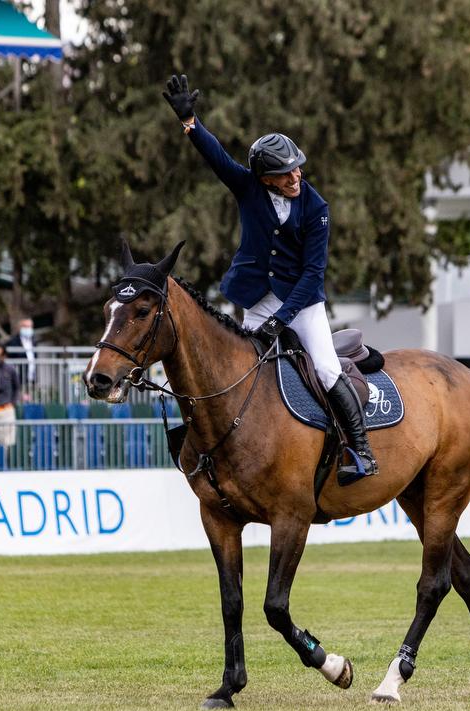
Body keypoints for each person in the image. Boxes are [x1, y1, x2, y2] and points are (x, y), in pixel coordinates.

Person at [163, 72, 377, 483]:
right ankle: (214, 446)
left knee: (328, 371)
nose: (295, 178)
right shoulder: (248, 189)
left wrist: (286, 316)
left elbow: (314, 272)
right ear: (264, 179)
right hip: (258, 297)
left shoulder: (317, 208)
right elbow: (218, 159)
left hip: (304, 301)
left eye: (297, 170)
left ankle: (360, 449)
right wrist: (190, 123)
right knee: (238, 370)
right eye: (285, 175)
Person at [5, 317, 37, 394]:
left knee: (29, 400)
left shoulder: (34, 341)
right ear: (20, 328)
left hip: (31, 376)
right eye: (25, 326)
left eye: (29, 326)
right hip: (18, 377)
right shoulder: (13, 342)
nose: (28, 329)